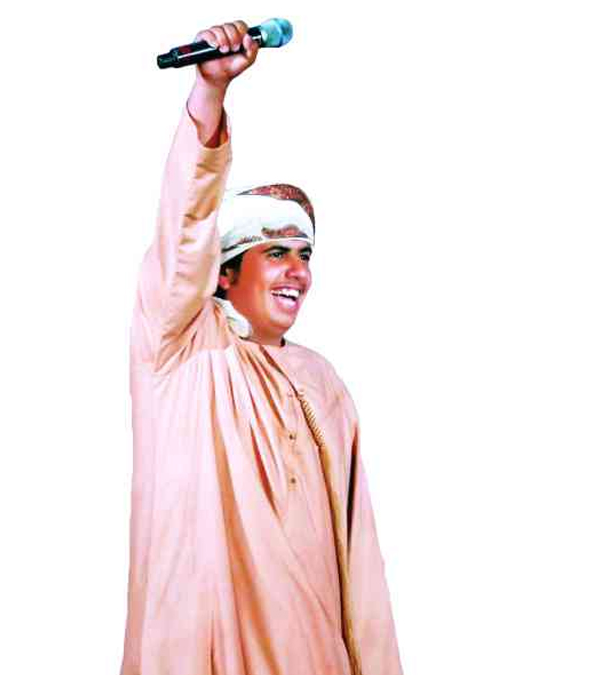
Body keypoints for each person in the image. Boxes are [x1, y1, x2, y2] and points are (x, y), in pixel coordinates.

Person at [121, 20, 403, 675]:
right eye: (275, 253)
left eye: (304, 255)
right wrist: (210, 95)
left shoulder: (321, 381)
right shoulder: (182, 351)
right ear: (223, 275)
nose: (298, 271)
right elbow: (185, 226)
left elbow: (359, 555)